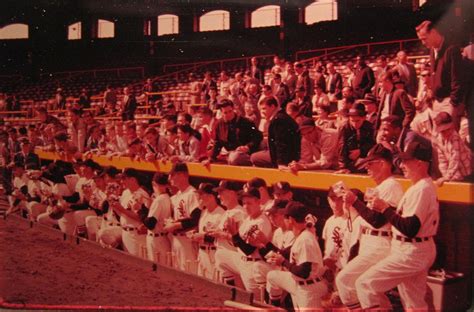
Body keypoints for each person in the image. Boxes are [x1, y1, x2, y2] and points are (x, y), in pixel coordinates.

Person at [356, 141, 439, 310]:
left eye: (406, 161)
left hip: (412, 250)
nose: (401, 165)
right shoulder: (419, 187)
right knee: (414, 303)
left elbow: (410, 228)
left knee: (365, 284)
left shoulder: (422, 188)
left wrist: (385, 208)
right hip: (414, 248)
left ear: (420, 163)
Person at [335, 144, 404, 310]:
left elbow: (378, 221)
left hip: (381, 241)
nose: (366, 168)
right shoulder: (381, 187)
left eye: (370, 163)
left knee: (345, 280)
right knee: (372, 292)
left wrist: (355, 202)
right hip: (370, 241)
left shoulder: (391, 185)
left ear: (382, 163)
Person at [265, 201, 328, 309]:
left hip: (309, 289)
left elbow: (304, 272)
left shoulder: (305, 239)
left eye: (285, 217)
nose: (283, 220)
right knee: (272, 276)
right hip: (300, 284)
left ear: (291, 220)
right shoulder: (301, 235)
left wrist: (283, 262)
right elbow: (286, 253)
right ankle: (275, 307)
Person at [416, 20, 466, 128]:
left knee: (450, 140)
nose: (423, 43)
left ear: (433, 32)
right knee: (438, 140)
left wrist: (453, 106)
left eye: (424, 39)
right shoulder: (432, 51)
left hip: (449, 103)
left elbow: (457, 81)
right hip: (437, 102)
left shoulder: (452, 49)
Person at [162, 162, 200, 271]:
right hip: (177, 240)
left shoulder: (192, 193)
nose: (170, 178)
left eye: (173, 174)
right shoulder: (178, 195)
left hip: (188, 241)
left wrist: (174, 226)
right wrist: (172, 223)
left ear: (183, 175)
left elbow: (195, 220)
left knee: (190, 273)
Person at [206, 99, 262, 166]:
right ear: (221, 112)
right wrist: (210, 158)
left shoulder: (246, 122)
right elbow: (217, 143)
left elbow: (258, 136)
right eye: (225, 112)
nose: (228, 114)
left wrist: (247, 147)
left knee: (233, 158)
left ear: (233, 109)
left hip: (247, 154)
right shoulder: (218, 124)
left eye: (230, 111)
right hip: (230, 153)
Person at [109, 168, 151, 257]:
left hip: (136, 234)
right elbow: (123, 215)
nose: (121, 181)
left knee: (138, 263)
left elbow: (141, 218)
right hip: (125, 232)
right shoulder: (125, 193)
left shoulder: (142, 194)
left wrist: (122, 209)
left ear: (133, 179)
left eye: (124, 178)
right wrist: (115, 207)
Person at [251, 96, 301, 168]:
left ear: (272, 106)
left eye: (264, 108)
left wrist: (281, 163)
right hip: (290, 153)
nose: (262, 112)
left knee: (254, 157)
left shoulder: (278, 120)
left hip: (289, 157)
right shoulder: (280, 116)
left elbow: (281, 142)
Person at [189, 183, 225, 279]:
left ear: (210, 196)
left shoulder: (221, 214)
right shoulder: (204, 212)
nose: (199, 197)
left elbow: (221, 239)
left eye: (201, 195)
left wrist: (202, 237)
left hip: (213, 254)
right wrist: (195, 234)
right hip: (202, 253)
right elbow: (191, 218)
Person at [432, 112, 471, 186]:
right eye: (442, 131)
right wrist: (445, 175)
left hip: (466, 171)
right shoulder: (439, 139)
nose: (446, 132)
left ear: (451, 126)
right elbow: (442, 160)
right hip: (454, 172)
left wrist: (447, 177)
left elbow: (455, 159)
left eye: (448, 129)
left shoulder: (454, 137)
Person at [141, 173, 172, 263]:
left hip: (156, 240)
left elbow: (150, 223)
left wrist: (140, 211)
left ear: (154, 184)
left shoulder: (159, 200)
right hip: (164, 238)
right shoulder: (167, 197)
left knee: (156, 269)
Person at [337, 104, 375, 173]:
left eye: (357, 121)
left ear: (364, 118)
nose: (355, 124)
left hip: (364, 157)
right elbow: (341, 146)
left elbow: (372, 143)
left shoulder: (369, 127)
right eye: (352, 121)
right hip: (348, 158)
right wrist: (343, 166)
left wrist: (360, 151)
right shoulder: (344, 127)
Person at [374, 71, 415, 135]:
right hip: (382, 126)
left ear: (387, 81)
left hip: (394, 128)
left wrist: (404, 126)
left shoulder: (400, 93)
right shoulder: (384, 94)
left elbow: (410, 111)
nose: (379, 85)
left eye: (381, 82)